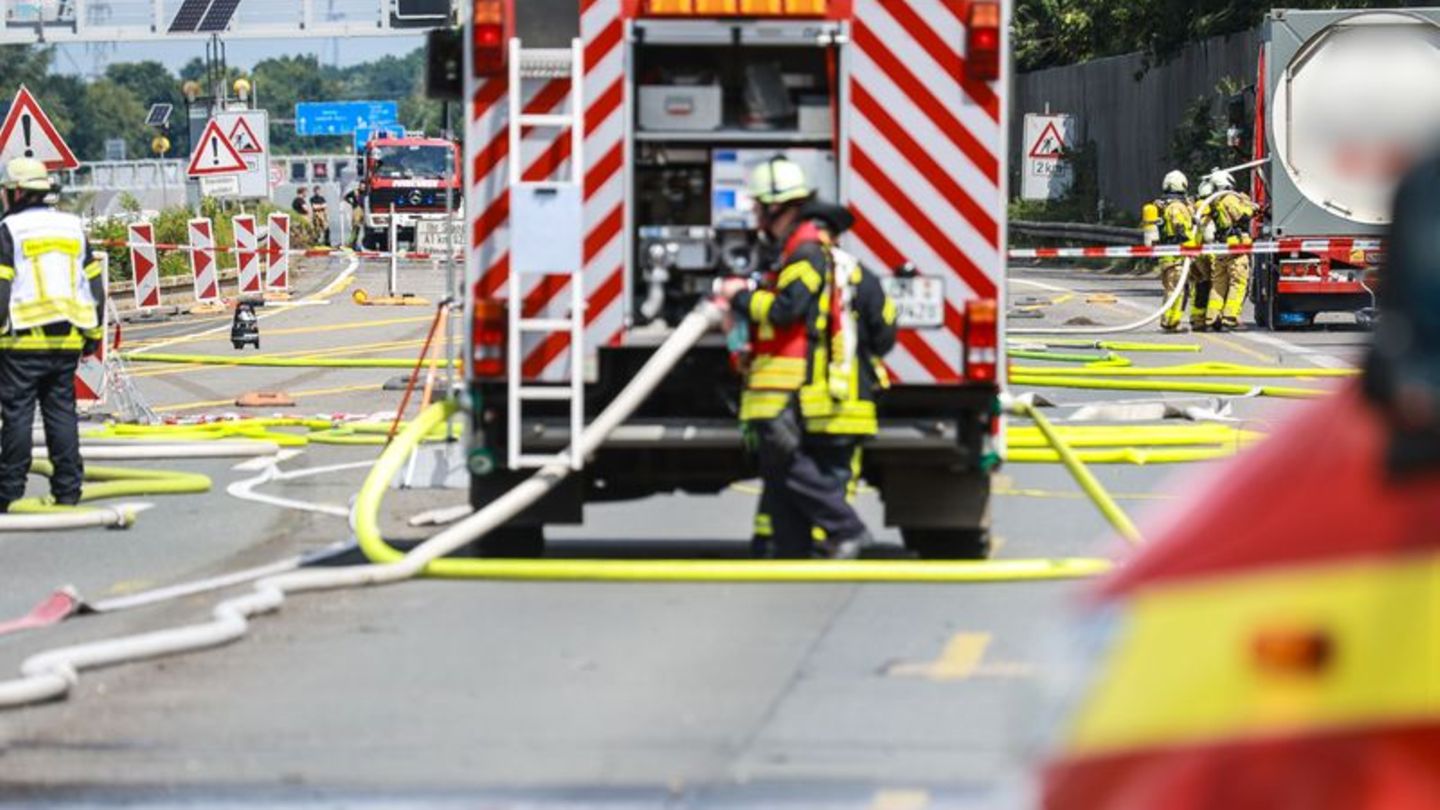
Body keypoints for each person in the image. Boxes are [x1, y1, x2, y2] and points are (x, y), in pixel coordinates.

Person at [720, 157, 896, 559]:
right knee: (793, 469)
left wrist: (739, 299)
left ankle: (840, 533)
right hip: (826, 394)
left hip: (814, 392)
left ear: (777, 207)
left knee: (794, 467)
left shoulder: (806, 256)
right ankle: (787, 546)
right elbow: (884, 329)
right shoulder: (841, 266)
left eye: (761, 209)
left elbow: (787, 309)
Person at [0, 158, 106, 512]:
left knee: (17, 415)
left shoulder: (9, 229)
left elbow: (2, 286)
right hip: (66, 338)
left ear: (15, 192)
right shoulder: (71, 225)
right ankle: (68, 489)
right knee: (61, 413)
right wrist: (93, 333)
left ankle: (9, 492)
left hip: (21, 340)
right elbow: (93, 283)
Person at [1140, 170, 1201, 332]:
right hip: (1176, 255)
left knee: (1172, 289)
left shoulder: (1163, 205)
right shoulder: (1176, 207)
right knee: (1177, 290)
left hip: (1168, 255)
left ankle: (1169, 320)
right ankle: (1171, 322)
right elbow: (1180, 228)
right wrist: (1190, 245)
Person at [1204, 169, 1257, 330]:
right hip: (1235, 248)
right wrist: (1251, 207)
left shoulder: (1214, 201)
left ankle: (1212, 317)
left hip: (1220, 247)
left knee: (1218, 284)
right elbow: (1242, 217)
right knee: (1238, 282)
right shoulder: (1229, 199)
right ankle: (1230, 317)